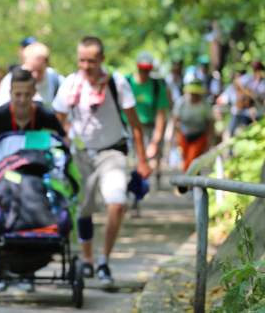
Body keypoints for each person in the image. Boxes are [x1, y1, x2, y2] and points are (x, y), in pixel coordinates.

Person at [52, 36, 151, 285]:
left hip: (112, 151)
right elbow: (57, 122)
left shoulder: (117, 83)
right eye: (82, 60)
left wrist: (143, 160)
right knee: (84, 208)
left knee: (116, 202)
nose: (86, 66)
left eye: (92, 61)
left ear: (102, 60)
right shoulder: (70, 84)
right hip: (81, 154)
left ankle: (104, 260)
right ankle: (87, 260)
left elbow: (136, 125)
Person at [0, 67, 65, 147]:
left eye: (27, 94)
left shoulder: (46, 115)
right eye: (18, 94)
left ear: (34, 92)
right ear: (10, 92)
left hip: (38, 162)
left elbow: (62, 137)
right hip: (5, 162)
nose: (22, 100)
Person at [126, 52, 170, 188]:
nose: (144, 72)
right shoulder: (127, 83)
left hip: (150, 126)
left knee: (154, 157)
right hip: (130, 127)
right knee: (134, 158)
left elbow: (161, 114)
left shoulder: (157, 86)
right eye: (141, 69)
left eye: (147, 70)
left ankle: (155, 180)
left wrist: (155, 141)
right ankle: (135, 184)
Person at [0, 42, 64, 110]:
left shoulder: (54, 78)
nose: (35, 75)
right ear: (25, 64)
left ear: (46, 65)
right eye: (32, 71)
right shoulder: (12, 79)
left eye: (39, 71)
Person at [173, 80, 214, 173]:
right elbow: (175, 121)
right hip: (184, 135)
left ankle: (186, 183)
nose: (194, 96)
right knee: (186, 159)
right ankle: (193, 181)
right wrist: (176, 137)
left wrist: (209, 139)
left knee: (192, 158)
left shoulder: (205, 105)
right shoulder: (181, 103)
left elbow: (210, 123)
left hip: (199, 136)